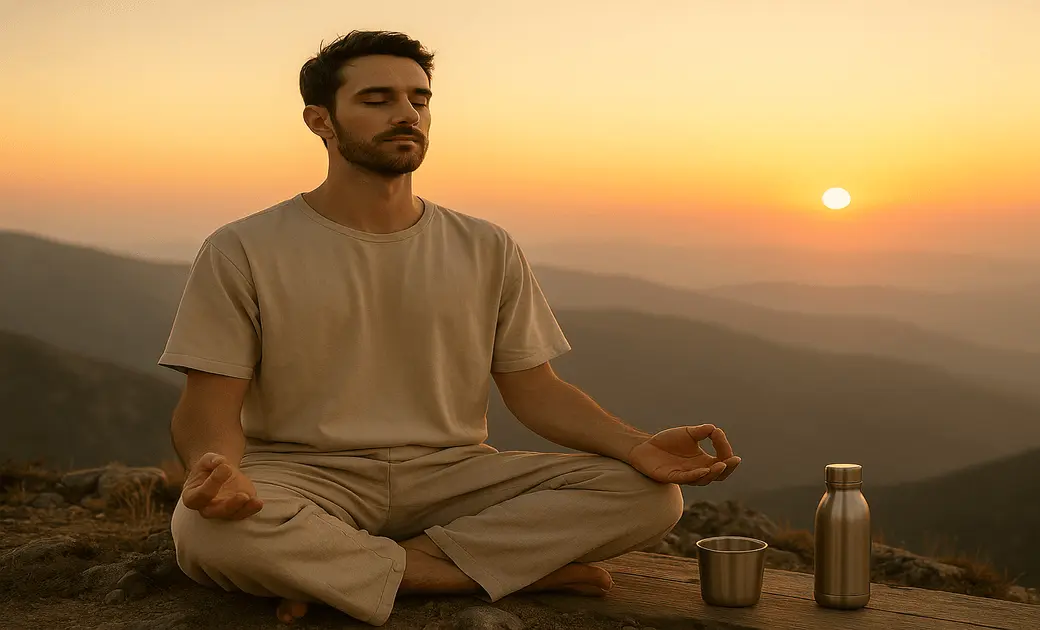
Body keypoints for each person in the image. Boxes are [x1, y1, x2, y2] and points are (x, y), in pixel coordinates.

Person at [160, 30, 741, 626]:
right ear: (320, 120)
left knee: (648, 497)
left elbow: (535, 389)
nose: (407, 113)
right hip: (306, 478)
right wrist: (218, 468)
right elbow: (209, 403)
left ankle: (361, 574)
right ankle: (478, 572)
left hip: (453, 476)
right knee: (205, 531)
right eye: (377, 99)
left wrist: (637, 445)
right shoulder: (243, 248)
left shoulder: (485, 246)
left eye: (420, 98)